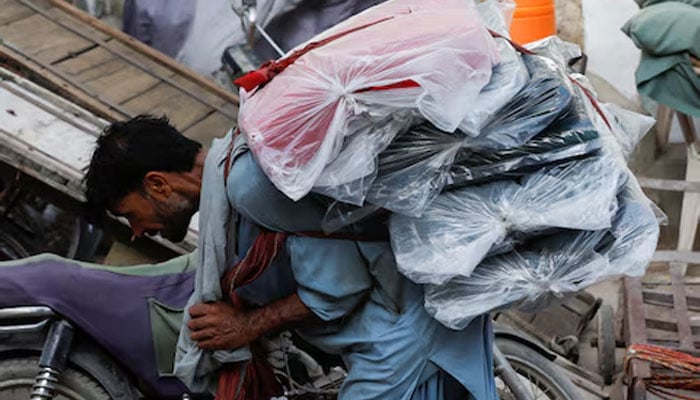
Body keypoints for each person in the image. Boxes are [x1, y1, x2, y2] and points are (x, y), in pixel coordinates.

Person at [84, 115, 497, 400]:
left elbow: (338, 288)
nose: (136, 231)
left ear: (156, 185)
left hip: (403, 333)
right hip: (396, 321)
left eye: (128, 216)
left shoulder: (247, 185)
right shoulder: (234, 174)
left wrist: (245, 324)